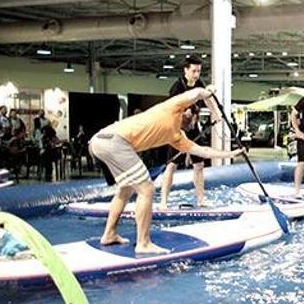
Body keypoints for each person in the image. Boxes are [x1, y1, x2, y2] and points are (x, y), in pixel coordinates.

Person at [88, 86, 242, 255]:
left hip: (100, 142)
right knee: (146, 189)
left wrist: (231, 153)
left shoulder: (177, 137)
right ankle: (143, 243)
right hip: (114, 141)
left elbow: (203, 151)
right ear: (188, 112)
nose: (192, 124)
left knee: (125, 189)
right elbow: (198, 92)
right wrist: (208, 92)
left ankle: (109, 234)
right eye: (193, 119)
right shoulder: (173, 106)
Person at [160, 55, 208, 209]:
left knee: (199, 165)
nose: (196, 75)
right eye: (194, 71)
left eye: (199, 71)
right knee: (172, 165)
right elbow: (170, 110)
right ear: (186, 70)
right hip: (177, 131)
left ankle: (201, 200)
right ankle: (163, 202)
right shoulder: (177, 87)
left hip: (193, 129)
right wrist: (183, 114)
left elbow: (205, 99)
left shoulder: (200, 84)